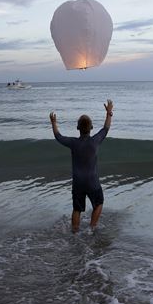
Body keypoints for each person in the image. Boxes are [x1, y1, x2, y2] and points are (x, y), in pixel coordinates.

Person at [49, 99, 113, 232]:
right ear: (91, 128)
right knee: (99, 203)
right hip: (92, 181)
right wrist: (109, 113)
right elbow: (106, 128)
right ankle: (92, 228)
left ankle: (75, 232)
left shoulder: (73, 143)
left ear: (77, 128)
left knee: (77, 209)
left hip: (78, 182)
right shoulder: (95, 141)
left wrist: (53, 123)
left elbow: (58, 136)